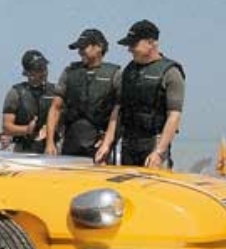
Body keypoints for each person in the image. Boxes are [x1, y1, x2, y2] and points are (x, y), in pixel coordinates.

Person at [95, 20, 185, 169]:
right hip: (129, 143)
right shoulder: (129, 71)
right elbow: (118, 109)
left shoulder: (171, 73)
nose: (129, 49)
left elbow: (174, 116)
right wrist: (107, 144)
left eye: (133, 45)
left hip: (154, 142)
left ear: (151, 43)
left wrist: (159, 152)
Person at [45, 29, 120, 159]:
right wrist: (50, 142)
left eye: (83, 48)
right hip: (71, 141)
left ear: (99, 47)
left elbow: (119, 112)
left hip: (99, 145)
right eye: (78, 49)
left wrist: (108, 142)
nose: (80, 52)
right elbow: (55, 107)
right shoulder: (69, 72)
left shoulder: (115, 74)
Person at [1, 50, 57, 153]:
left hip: (51, 147)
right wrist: (27, 129)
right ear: (27, 73)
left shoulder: (56, 91)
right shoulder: (16, 93)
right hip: (24, 149)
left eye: (44, 67)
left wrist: (50, 129)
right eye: (38, 69)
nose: (43, 71)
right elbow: (6, 127)